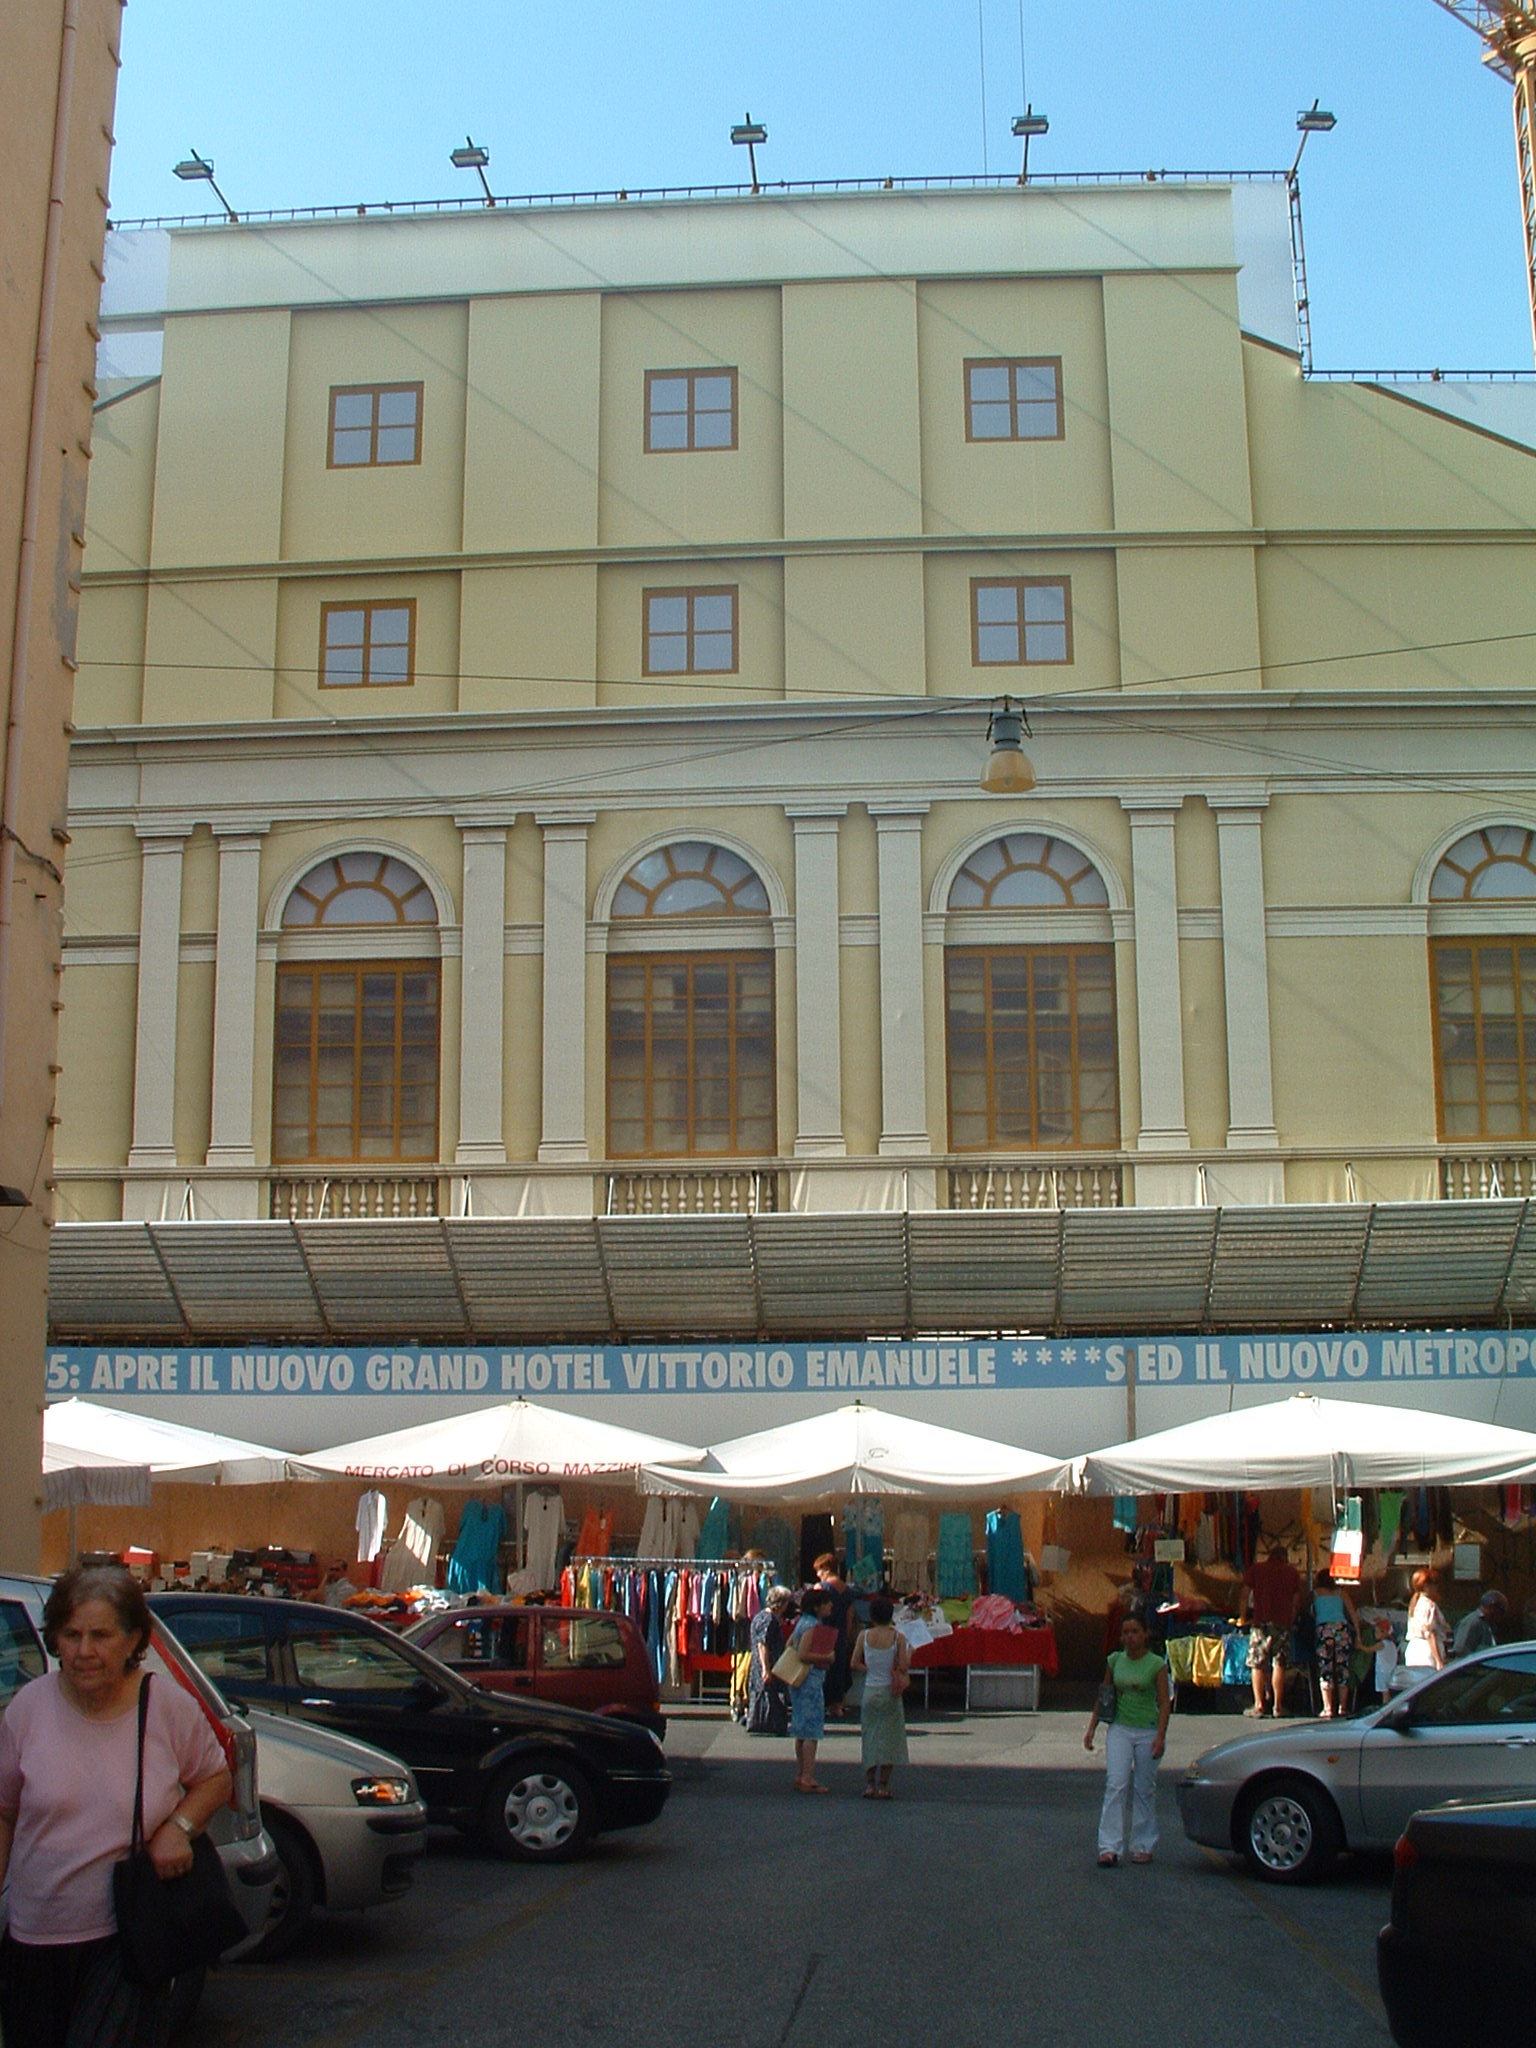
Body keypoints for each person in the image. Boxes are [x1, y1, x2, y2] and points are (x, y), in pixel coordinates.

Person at [0, 1565, 234, 2048]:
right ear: (55, 1639)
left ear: (133, 1641)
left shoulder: (166, 1706)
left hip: (123, 1937)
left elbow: (215, 1777)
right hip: (32, 1938)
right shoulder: (28, 1708)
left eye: (102, 1635)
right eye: (72, 1634)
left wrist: (179, 1826)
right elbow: (3, 1812)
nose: (85, 1651)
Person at [1085, 1610, 1171, 1867]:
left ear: (1145, 1635)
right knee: (1116, 1784)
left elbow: (1164, 1702)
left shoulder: (1156, 1664)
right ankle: (1109, 1846)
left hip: (1147, 1729)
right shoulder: (1115, 1661)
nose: (1131, 1637)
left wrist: (1160, 1736)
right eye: (1126, 1633)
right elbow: (1105, 1696)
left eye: (1135, 1632)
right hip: (1120, 1729)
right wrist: (1092, 1728)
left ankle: (1143, 1843)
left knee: (1144, 1788)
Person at [851, 1595, 911, 1799]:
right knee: (890, 1737)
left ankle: (869, 1783)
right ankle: (883, 1785)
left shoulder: (864, 1636)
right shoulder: (898, 1637)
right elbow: (903, 1666)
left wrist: (868, 1668)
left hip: (870, 1689)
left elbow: (854, 1663)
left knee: (870, 1736)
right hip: (890, 1690)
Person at [1237, 1539, 1301, 1719]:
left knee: (1257, 1663)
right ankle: (1278, 1707)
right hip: (1282, 1623)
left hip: (1261, 1622)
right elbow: (1296, 1602)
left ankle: (1259, 1705)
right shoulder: (1291, 1573)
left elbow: (1244, 1595)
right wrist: (1291, 1619)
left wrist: (1242, 1617)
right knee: (1279, 1663)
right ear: (1285, 1558)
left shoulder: (1257, 1569)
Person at [787, 1587, 838, 1793]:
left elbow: (790, 1645)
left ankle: (801, 1774)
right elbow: (803, 1654)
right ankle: (808, 1776)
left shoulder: (801, 1622)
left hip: (799, 1681)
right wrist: (827, 1658)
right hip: (810, 1681)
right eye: (826, 1603)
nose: (830, 1606)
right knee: (811, 1731)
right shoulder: (813, 1626)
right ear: (817, 1606)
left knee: (801, 1729)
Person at [810, 1554, 857, 1719]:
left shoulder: (821, 1588)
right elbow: (850, 1614)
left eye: (819, 1570)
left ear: (826, 1569)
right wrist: (847, 1632)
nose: (817, 1574)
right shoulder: (847, 1589)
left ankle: (821, 1702)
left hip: (824, 1632)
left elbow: (812, 1611)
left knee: (821, 1668)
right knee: (838, 1668)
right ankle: (837, 1704)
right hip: (840, 1632)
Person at [1312, 1569, 1360, 1719]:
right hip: (1341, 1630)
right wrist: (1357, 1633)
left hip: (1324, 1630)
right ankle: (1342, 1707)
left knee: (1325, 1668)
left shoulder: (1315, 1593)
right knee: (1342, 1668)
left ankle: (1327, 1708)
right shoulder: (1341, 1593)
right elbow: (1352, 1613)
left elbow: (1311, 1613)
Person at [746, 1586, 794, 1736]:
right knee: (770, 1693)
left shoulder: (759, 1616)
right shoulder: (769, 1620)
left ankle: (766, 1722)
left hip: (759, 1663)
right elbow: (763, 1644)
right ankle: (770, 1723)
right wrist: (766, 1668)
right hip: (767, 1663)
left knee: (765, 1693)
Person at [1405, 1568, 1451, 1675]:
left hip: (1414, 1649)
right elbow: (1429, 1633)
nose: (1436, 1587)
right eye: (1433, 1584)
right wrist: (1439, 1661)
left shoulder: (1415, 1602)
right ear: (1425, 1585)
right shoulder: (1429, 1605)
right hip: (1427, 1652)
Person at [1452, 1589, 1508, 1659]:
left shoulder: (1487, 1624)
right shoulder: (1473, 1622)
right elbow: (1461, 1651)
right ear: (1492, 1606)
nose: (1501, 1616)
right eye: (1501, 1612)